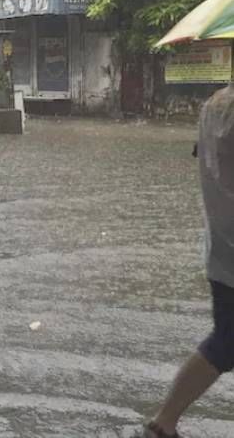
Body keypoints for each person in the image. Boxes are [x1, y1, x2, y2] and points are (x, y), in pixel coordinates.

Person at [145, 84, 234, 438]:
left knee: (226, 341)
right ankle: (162, 423)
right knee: (225, 343)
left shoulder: (214, 105)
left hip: (221, 249)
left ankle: (163, 423)